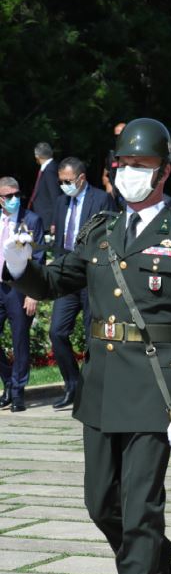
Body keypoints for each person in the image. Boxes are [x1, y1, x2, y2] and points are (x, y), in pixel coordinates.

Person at [3, 117, 171, 574]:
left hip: (154, 390)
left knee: (142, 509)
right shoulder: (99, 230)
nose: (131, 175)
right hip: (101, 388)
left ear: (165, 171)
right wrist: (20, 265)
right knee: (102, 504)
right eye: (124, 165)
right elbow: (55, 283)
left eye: (143, 167)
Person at [49, 157, 117, 410]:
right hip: (67, 275)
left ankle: (93, 389)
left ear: (80, 178)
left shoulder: (101, 199)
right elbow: (58, 239)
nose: (64, 186)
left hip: (92, 275)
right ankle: (72, 384)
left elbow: (110, 234)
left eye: (68, 181)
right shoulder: (60, 201)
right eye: (61, 182)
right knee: (57, 332)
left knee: (93, 335)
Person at [0, 177, 45, 412]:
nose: (14, 200)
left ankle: (18, 393)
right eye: (8, 196)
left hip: (19, 288)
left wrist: (33, 293)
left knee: (20, 341)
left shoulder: (31, 220)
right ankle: (8, 382)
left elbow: (38, 259)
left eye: (17, 195)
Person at [29, 141, 62, 231]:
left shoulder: (49, 170)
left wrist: (54, 221)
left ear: (37, 156)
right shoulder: (50, 168)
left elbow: (55, 197)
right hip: (44, 218)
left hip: (47, 221)